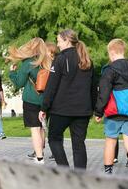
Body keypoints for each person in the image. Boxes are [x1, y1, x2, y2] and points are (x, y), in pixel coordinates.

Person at [39, 29, 95, 169]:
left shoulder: (60, 59)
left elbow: (51, 86)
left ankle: (64, 171)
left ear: (67, 40)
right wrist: (93, 108)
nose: (58, 45)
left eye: (58, 41)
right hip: (83, 110)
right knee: (79, 144)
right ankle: (80, 178)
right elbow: (94, 88)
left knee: (54, 139)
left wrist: (44, 107)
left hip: (61, 110)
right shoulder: (87, 60)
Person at [94, 39, 128, 181]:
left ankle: (108, 173)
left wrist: (98, 112)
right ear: (123, 51)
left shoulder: (110, 70)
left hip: (115, 113)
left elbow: (103, 93)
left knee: (111, 141)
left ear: (111, 52)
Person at [8, 37, 52, 164]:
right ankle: (40, 153)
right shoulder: (48, 62)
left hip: (31, 100)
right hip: (46, 101)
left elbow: (19, 83)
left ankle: (39, 158)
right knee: (42, 127)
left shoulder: (28, 63)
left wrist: (12, 73)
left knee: (34, 129)